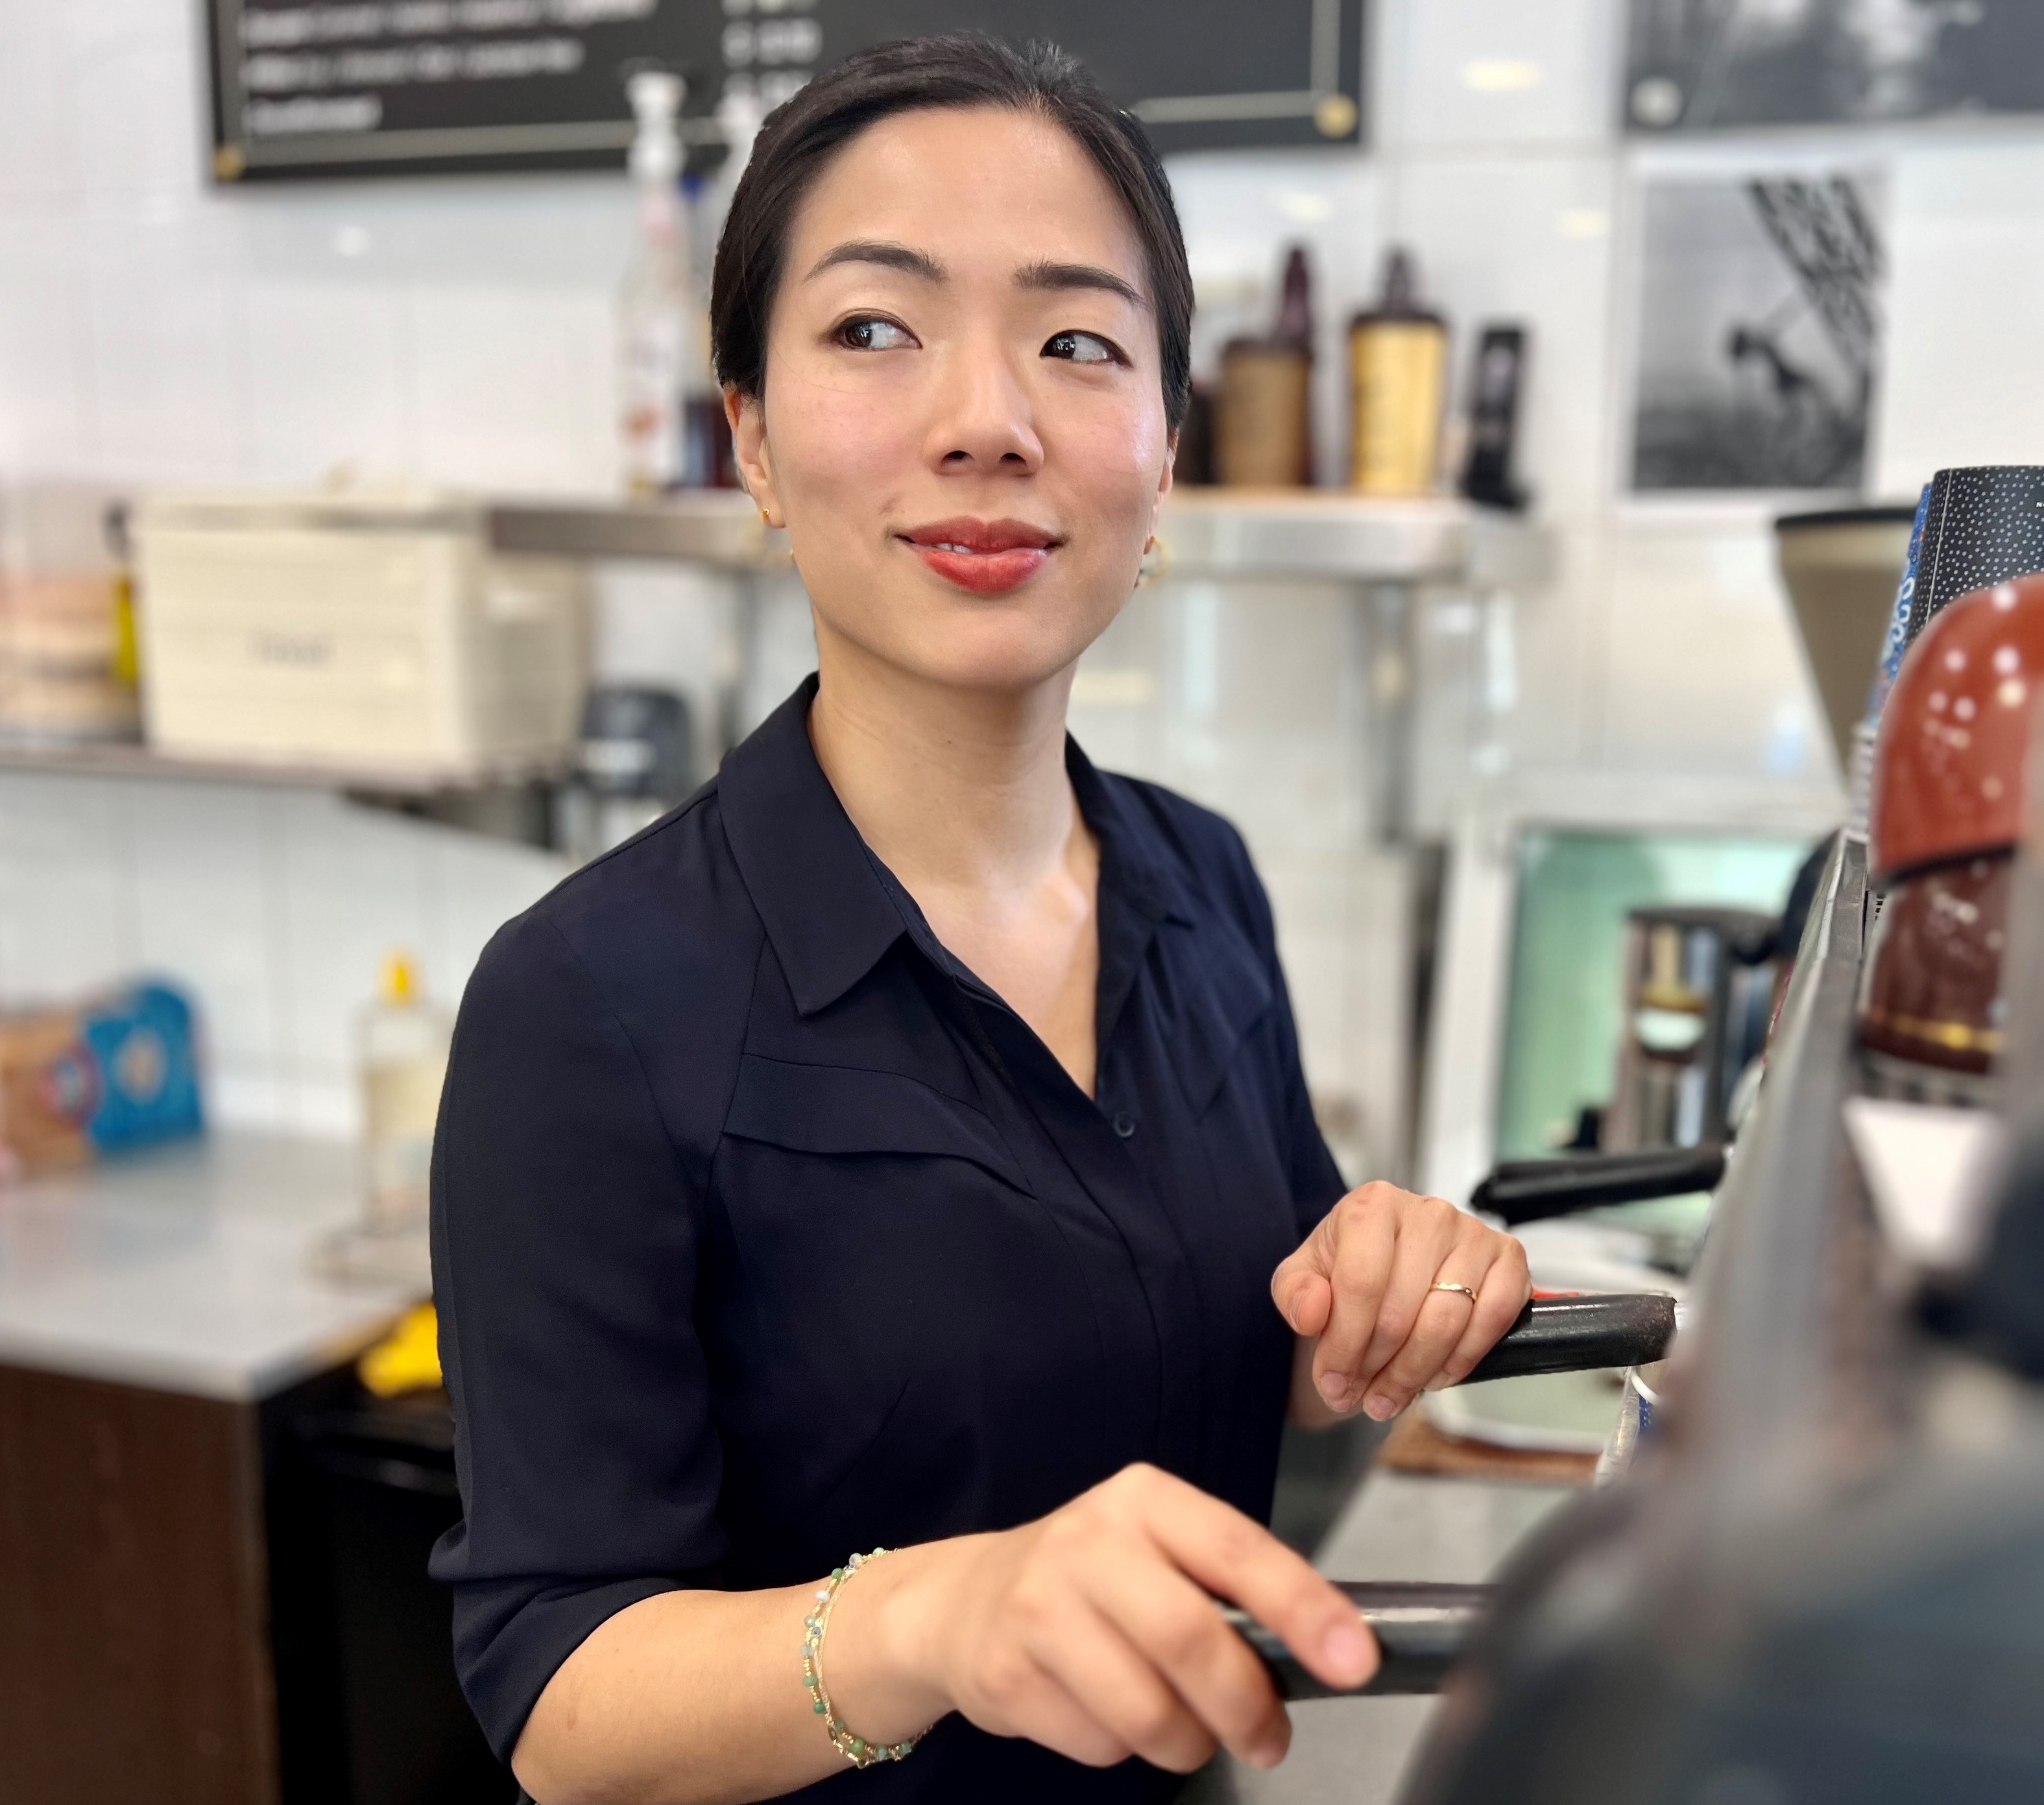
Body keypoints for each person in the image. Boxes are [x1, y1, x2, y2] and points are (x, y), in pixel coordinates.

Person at [427, 34, 1533, 1805]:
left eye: (1078, 340)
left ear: (1164, 451)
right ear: (756, 443)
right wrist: (937, 1623)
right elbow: (556, 1692)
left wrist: (1392, 1284)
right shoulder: (589, 1000)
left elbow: (1274, 1316)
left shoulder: (1203, 884)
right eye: (876, 328)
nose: (989, 417)